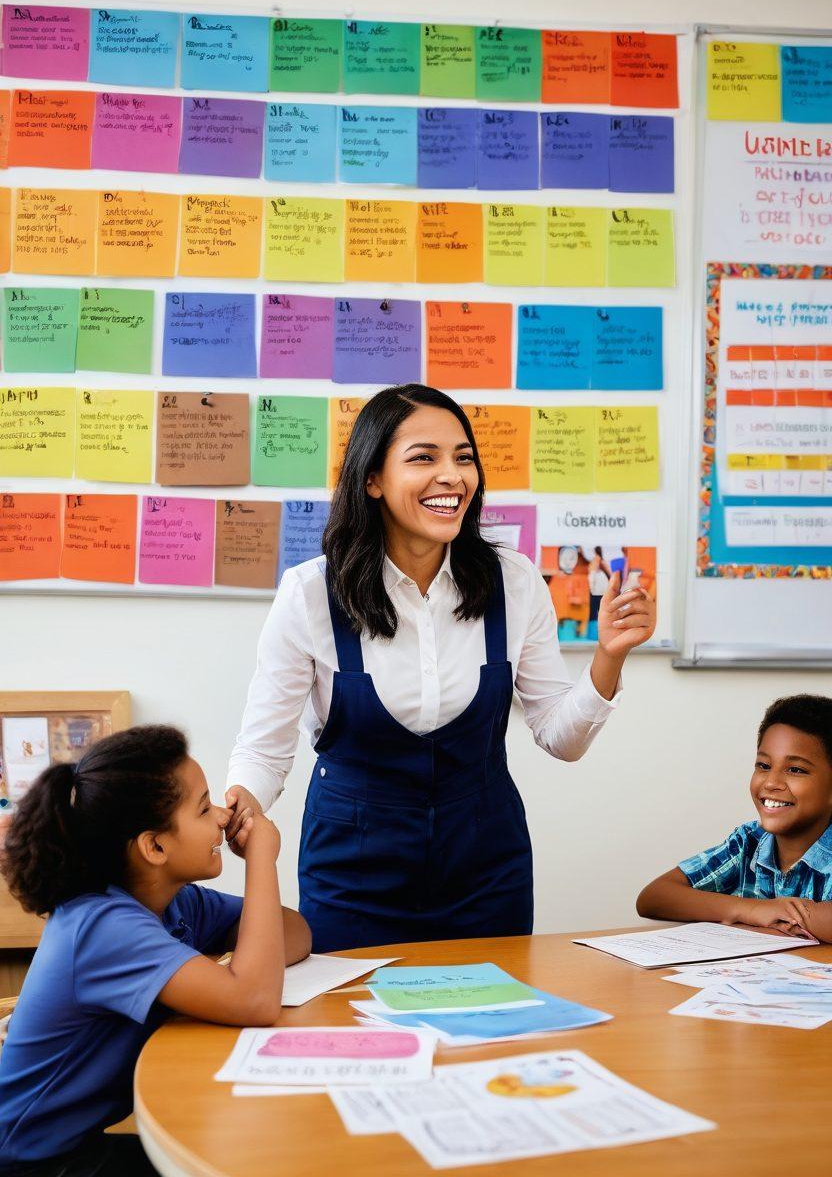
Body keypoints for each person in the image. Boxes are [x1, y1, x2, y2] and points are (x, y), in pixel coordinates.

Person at [226, 384, 656, 952]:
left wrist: (609, 656)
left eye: (463, 457)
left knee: (487, 1029)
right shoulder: (310, 594)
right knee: (352, 1028)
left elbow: (560, 737)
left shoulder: (515, 580)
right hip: (352, 873)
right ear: (372, 479)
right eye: (423, 457)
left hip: (484, 868)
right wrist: (237, 806)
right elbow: (264, 750)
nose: (452, 475)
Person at [0, 725, 311, 1175]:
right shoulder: (102, 925)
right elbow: (256, 1000)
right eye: (204, 808)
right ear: (154, 846)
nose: (224, 817)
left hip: (76, 1144)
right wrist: (263, 858)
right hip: (31, 1163)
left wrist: (222, 969)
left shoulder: (173, 901)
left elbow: (296, 933)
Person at [637, 694, 832, 942]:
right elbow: (654, 897)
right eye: (763, 765)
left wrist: (783, 915)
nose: (771, 782)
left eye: (795, 769)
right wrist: (752, 909)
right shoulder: (747, 843)